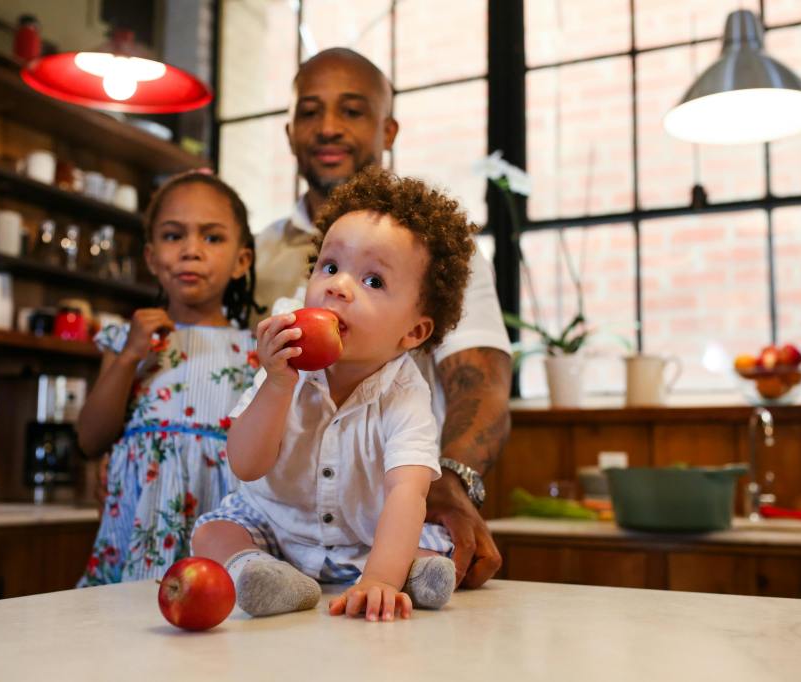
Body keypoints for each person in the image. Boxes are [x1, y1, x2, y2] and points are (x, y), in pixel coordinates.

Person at [254, 48, 512, 588]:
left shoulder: (435, 254)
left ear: (388, 129)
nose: (327, 128)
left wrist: (449, 483)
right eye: (310, 111)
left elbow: (480, 380)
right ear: (289, 131)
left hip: (383, 517)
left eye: (351, 110)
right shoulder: (255, 253)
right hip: (280, 527)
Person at [192, 167, 475, 621]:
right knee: (215, 531)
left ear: (413, 331)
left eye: (373, 281)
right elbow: (245, 464)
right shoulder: (285, 363)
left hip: (365, 542)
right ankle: (257, 572)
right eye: (330, 266)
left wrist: (379, 579)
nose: (337, 286)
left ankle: (410, 570)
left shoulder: (404, 396)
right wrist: (277, 385)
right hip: (275, 528)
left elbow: (407, 492)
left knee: (424, 533)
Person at [76, 170, 261, 586]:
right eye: (173, 236)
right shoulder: (127, 340)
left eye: (212, 238)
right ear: (150, 257)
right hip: (139, 527)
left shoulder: (259, 348)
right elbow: (90, 439)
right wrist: (130, 358)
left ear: (241, 261)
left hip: (221, 517)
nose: (191, 251)